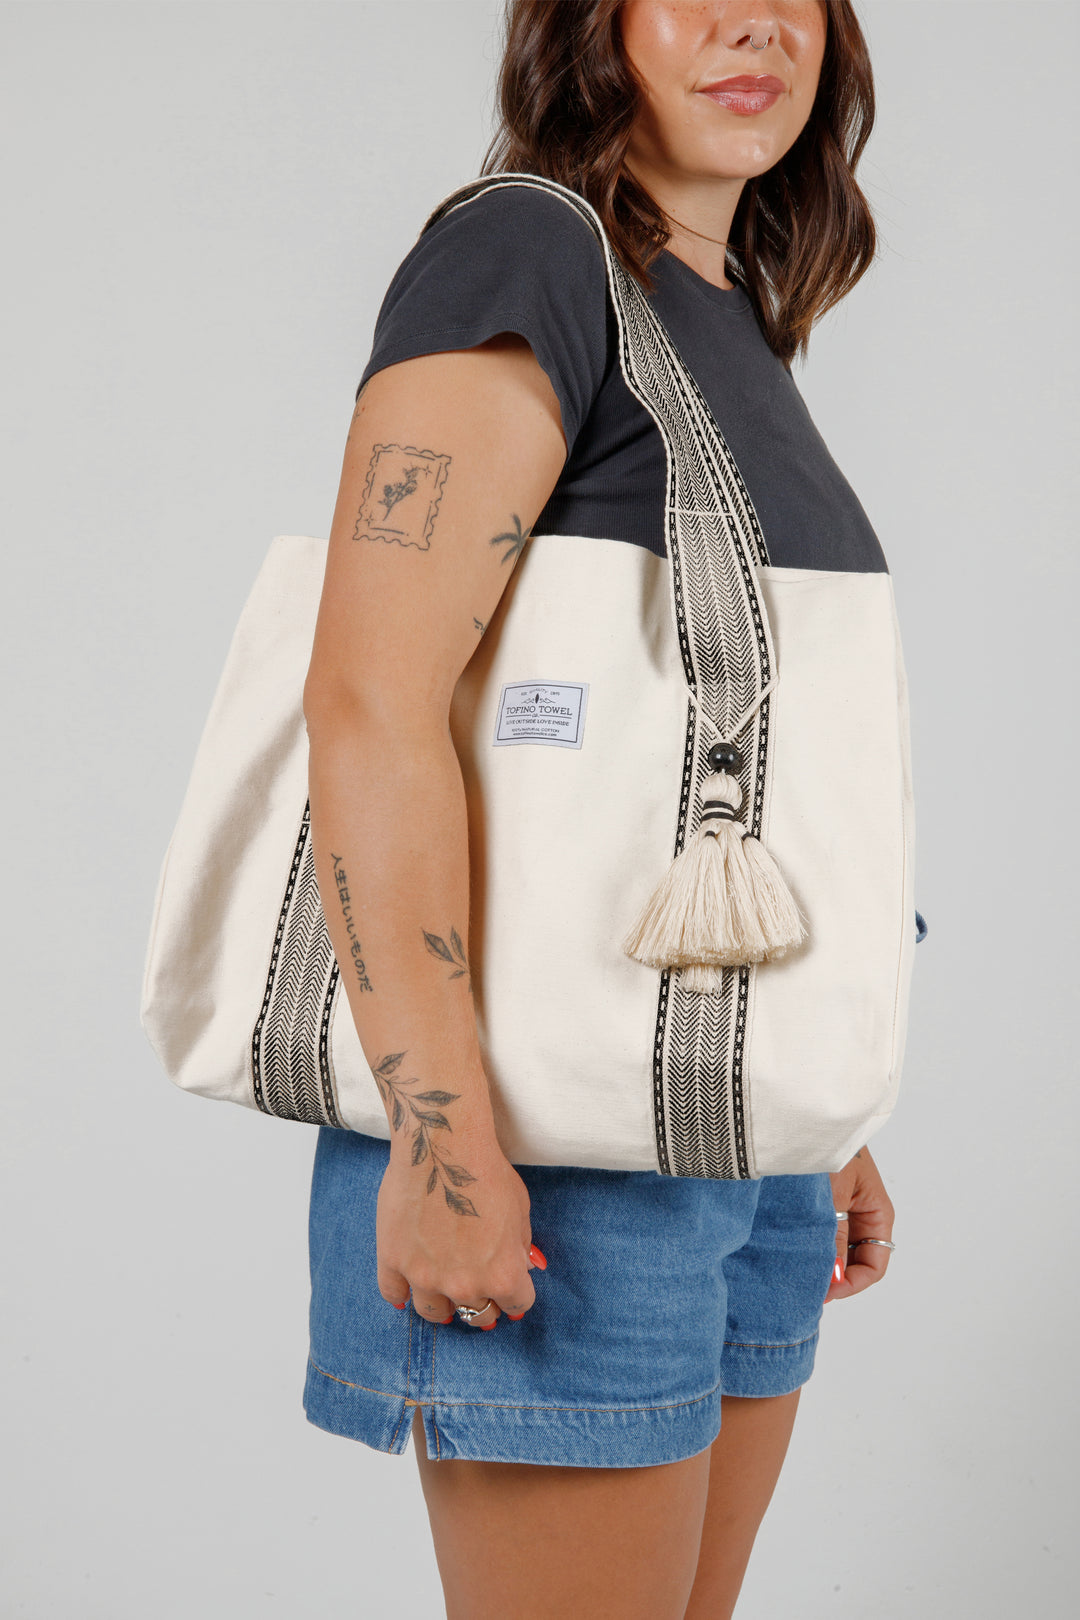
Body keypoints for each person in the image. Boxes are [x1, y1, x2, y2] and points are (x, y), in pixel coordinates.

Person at [300, 3, 900, 1615]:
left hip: (733, 1144)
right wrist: (438, 1135)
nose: (753, 18)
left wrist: (810, 1100)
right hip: (548, 1151)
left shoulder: (717, 315)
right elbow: (369, 698)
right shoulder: (529, 255)